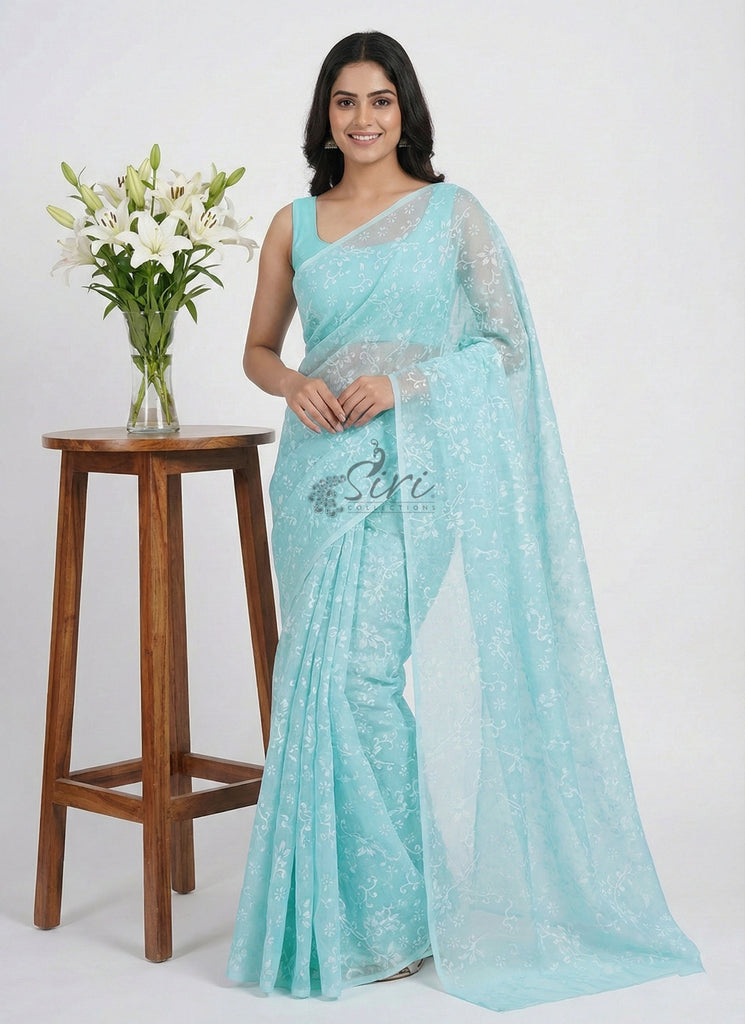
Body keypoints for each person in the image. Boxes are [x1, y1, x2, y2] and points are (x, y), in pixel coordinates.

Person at [227, 31, 703, 1012]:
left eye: (381, 100)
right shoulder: (292, 223)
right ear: (324, 115)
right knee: (314, 683)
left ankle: (401, 911)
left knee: (359, 679)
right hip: (316, 478)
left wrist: (404, 383)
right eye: (346, 101)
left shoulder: (454, 214)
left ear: (406, 110)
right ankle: (347, 912)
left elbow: (506, 344)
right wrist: (294, 383)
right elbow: (259, 350)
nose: (363, 118)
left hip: (412, 473)